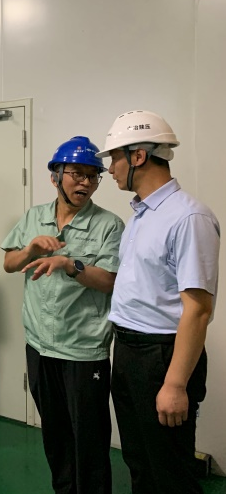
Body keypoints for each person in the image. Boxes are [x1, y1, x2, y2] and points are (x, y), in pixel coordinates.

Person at [98, 110, 220, 494]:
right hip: (129, 350)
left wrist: (175, 384)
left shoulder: (188, 217)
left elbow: (198, 309)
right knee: (139, 460)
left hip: (161, 357)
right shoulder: (141, 215)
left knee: (170, 471)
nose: (110, 169)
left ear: (138, 156)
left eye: (114, 158)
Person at [2, 136, 124, 493]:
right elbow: (9, 264)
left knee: (89, 440)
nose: (85, 182)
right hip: (40, 346)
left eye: (92, 176)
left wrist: (71, 265)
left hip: (83, 350)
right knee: (55, 436)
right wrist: (31, 249)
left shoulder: (109, 225)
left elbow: (110, 281)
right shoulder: (34, 217)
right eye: (76, 174)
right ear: (55, 176)